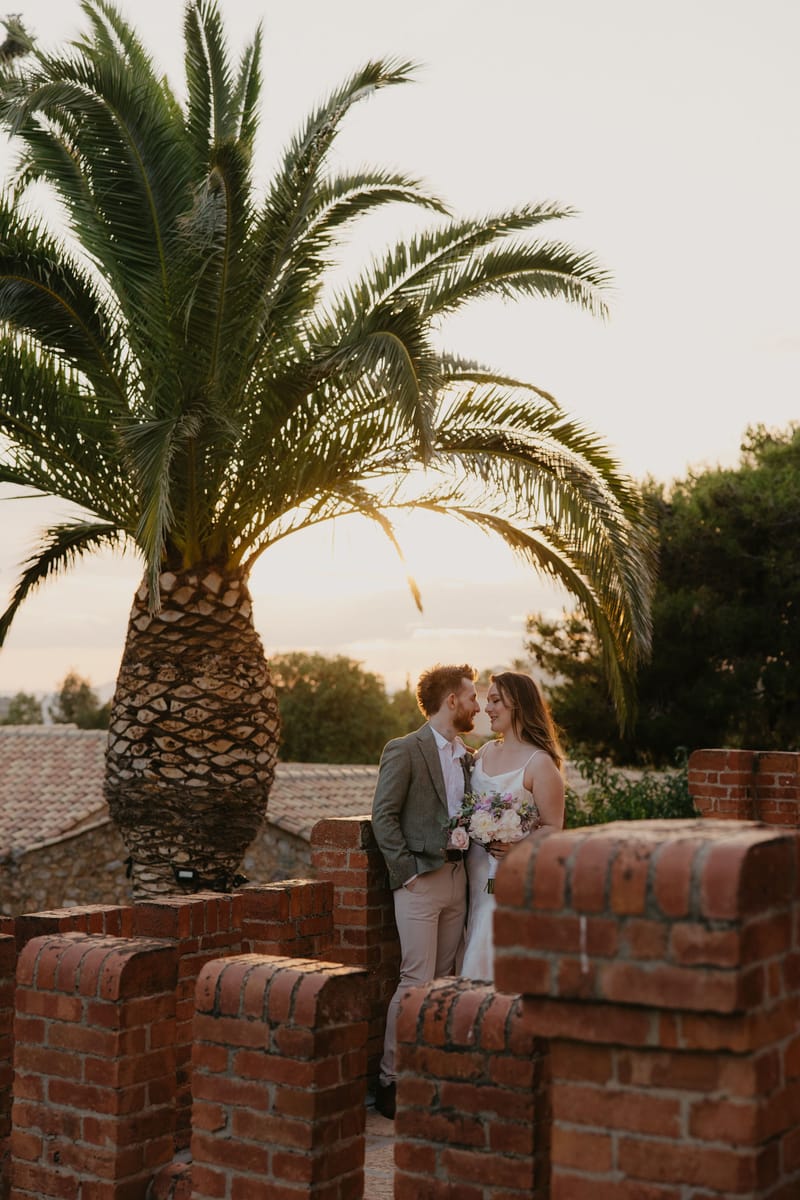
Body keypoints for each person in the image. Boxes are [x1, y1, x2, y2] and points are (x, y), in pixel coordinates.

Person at [371, 663, 480, 1119]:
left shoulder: (468, 756)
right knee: (415, 981)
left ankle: (429, 1073)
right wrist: (408, 874)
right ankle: (391, 1079)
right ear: (451, 701)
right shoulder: (405, 749)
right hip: (419, 884)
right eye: (472, 696)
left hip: (459, 881)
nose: (477, 705)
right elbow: (384, 817)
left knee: (446, 981)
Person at [460, 670, 565, 982]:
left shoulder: (540, 763)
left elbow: (553, 827)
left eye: (495, 701)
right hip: (473, 872)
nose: (487, 708)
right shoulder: (485, 752)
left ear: (517, 705)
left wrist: (517, 845)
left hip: (512, 876)